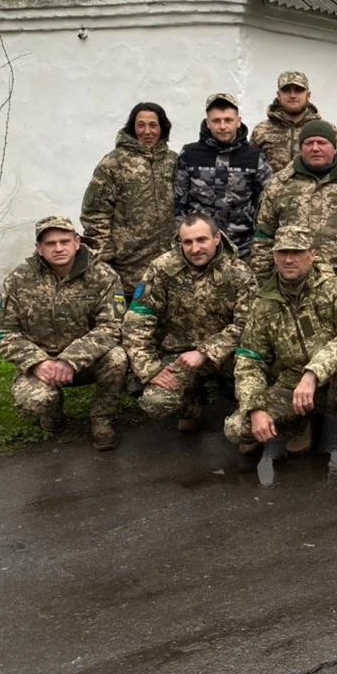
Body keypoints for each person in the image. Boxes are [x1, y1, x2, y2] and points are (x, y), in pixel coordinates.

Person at [227, 225, 337, 487]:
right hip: (291, 386)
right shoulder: (264, 301)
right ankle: (297, 424)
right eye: (282, 252)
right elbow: (249, 358)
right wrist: (254, 406)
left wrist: (314, 372)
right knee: (237, 428)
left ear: (312, 255)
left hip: (333, 381)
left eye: (297, 252)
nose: (289, 259)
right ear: (274, 256)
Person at [0, 216, 128, 450]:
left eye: (64, 241)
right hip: (42, 364)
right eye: (50, 244)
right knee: (36, 401)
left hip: (86, 362)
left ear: (77, 242)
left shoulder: (103, 276)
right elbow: (1, 331)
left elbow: (112, 327)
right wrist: (37, 363)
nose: (59, 248)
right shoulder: (19, 279)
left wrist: (70, 360)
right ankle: (52, 412)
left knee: (117, 358)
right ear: (39, 249)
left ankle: (102, 419)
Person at [122, 213, 257, 433]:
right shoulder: (162, 269)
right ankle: (191, 406)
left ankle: (247, 425)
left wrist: (205, 352)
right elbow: (136, 322)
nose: (195, 249)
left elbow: (248, 324)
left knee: (256, 380)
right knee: (155, 402)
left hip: (228, 356)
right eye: (188, 242)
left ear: (217, 238)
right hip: (180, 355)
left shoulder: (239, 273)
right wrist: (152, 370)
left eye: (202, 240)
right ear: (180, 242)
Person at [251, 119, 337, 312]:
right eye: (309, 143)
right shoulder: (279, 185)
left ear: (334, 147)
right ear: (300, 148)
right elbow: (263, 237)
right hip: (292, 289)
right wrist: (265, 282)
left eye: (322, 143)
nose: (315, 148)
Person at [80, 102, 176, 298]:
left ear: (162, 127)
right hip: (127, 266)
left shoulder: (173, 161)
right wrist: (106, 255)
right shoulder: (114, 163)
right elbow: (94, 212)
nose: (147, 131)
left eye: (153, 125)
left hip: (168, 262)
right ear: (132, 127)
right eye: (141, 125)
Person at [174, 93, 273, 258]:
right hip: (199, 248)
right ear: (207, 123)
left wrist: (259, 239)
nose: (222, 126)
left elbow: (267, 201)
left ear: (238, 121)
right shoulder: (189, 154)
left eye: (228, 120)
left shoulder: (254, 156)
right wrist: (182, 241)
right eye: (216, 121)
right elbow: (178, 203)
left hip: (242, 247)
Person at [251, 71, 337, 173]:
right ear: (278, 95)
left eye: (298, 90)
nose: (292, 95)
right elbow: (250, 169)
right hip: (271, 188)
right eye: (286, 90)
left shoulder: (327, 130)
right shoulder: (261, 131)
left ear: (308, 95)